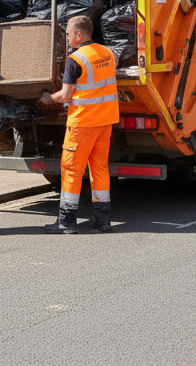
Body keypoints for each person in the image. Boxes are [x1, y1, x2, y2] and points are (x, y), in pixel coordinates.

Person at [39, 15, 118, 234]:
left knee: (71, 170)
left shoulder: (76, 59)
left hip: (83, 123)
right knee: (100, 169)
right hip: (105, 121)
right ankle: (103, 221)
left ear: (79, 35)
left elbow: (65, 95)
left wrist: (48, 98)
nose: (66, 37)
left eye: (68, 34)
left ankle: (66, 222)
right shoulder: (108, 53)